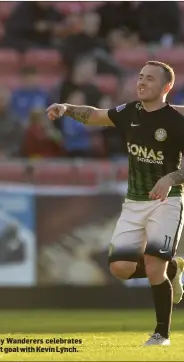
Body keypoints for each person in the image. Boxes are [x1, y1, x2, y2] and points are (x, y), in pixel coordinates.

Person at [47, 60, 184, 346]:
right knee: (120, 269)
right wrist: (67, 108)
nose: (142, 82)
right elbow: (96, 115)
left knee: (153, 265)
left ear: (166, 87)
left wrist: (171, 177)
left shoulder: (177, 120)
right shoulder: (128, 112)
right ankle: (174, 269)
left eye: (150, 79)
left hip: (167, 201)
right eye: (141, 77)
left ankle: (161, 334)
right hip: (135, 202)